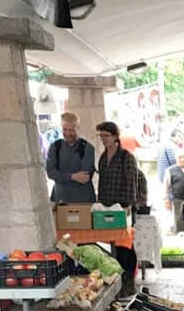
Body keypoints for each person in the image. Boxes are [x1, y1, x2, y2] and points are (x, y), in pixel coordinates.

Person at [95, 121, 140, 296]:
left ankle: (128, 281)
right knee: (110, 245)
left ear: (115, 136)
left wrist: (127, 205)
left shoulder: (126, 157)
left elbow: (131, 182)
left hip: (123, 207)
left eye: (106, 135)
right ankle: (115, 279)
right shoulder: (102, 157)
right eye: (101, 136)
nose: (103, 139)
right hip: (106, 206)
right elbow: (102, 182)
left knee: (125, 245)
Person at [45, 112, 96, 203]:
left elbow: (84, 178)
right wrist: (73, 176)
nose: (68, 133)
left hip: (83, 200)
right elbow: (50, 173)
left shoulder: (87, 148)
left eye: (71, 130)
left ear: (78, 128)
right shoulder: (55, 147)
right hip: (60, 199)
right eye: (65, 129)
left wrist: (61, 176)